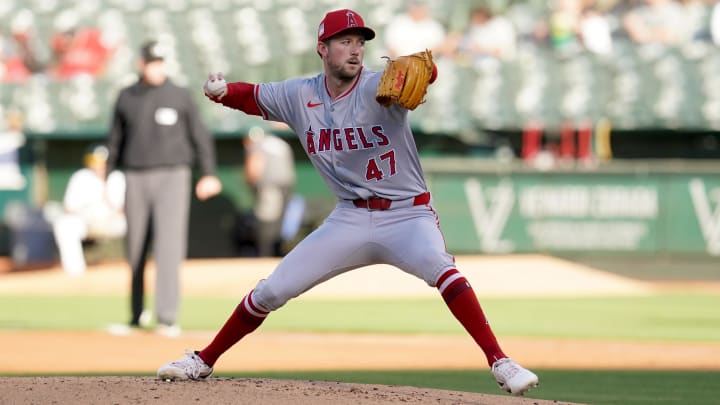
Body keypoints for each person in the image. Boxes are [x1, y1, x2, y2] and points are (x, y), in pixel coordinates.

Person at [156, 9, 538, 396]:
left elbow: (426, 75)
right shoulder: (300, 95)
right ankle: (202, 360)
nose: (355, 50)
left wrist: (431, 73)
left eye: (360, 42)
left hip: (407, 214)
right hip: (350, 218)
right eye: (345, 42)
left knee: (442, 268)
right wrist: (222, 93)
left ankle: (500, 361)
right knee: (272, 290)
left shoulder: (382, 87)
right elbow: (253, 96)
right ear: (323, 48)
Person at [106, 39, 222, 336]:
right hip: (135, 175)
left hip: (173, 174)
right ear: (141, 63)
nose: (156, 67)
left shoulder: (179, 95)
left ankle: (167, 318)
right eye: (151, 62)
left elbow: (200, 136)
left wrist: (208, 173)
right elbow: (115, 141)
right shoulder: (126, 96)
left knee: (169, 248)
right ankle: (135, 315)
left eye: (160, 62)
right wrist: (108, 177)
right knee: (134, 249)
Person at [52, 144, 126, 276]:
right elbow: (69, 208)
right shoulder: (81, 177)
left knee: (138, 223)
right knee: (64, 224)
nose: (97, 166)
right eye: (93, 161)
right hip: (87, 221)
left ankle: (135, 268)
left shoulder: (117, 177)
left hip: (114, 222)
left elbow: (125, 209)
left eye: (101, 162)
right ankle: (75, 272)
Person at [242, 126, 296, 257]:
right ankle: (276, 252)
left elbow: (254, 166)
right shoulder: (278, 142)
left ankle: (265, 254)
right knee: (279, 220)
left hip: (270, 185)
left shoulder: (258, 145)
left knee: (267, 219)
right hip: (286, 185)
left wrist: (250, 182)